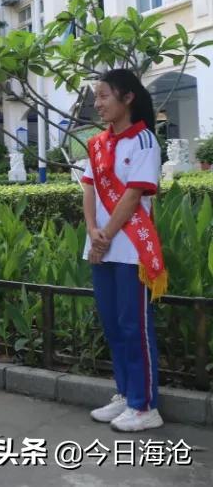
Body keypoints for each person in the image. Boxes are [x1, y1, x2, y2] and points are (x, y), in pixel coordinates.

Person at [82, 69, 165, 432]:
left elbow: (134, 194)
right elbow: (87, 187)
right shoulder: (97, 144)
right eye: (96, 97)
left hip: (131, 249)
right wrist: (92, 233)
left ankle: (145, 406)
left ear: (127, 97)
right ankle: (125, 394)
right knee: (114, 325)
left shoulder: (144, 140)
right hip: (101, 246)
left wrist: (106, 234)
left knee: (134, 327)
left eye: (103, 96)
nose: (98, 104)